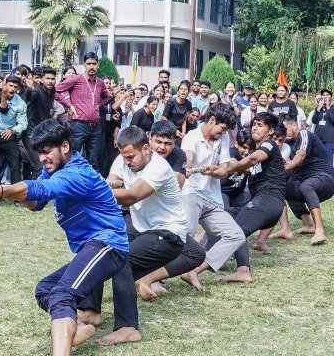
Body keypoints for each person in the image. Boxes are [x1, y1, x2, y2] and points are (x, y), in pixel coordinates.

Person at [0, 119, 133, 356]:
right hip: (93, 246)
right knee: (46, 289)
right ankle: (77, 325)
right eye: (39, 152)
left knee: (63, 293)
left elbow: (40, 190)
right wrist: (12, 194)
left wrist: (3, 190)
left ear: (65, 146)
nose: (43, 158)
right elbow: (35, 201)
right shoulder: (55, 171)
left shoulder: (77, 174)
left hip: (108, 245)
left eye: (48, 151)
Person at [104, 125, 202, 313]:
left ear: (145, 149)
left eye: (168, 143)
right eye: (158, 141)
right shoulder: (126, 157)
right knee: (102, 250)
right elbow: (113, 178)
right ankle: (92, 311)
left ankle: (127, 325)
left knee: (120, 258)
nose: (162, 147)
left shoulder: (159, 166)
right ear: (150, 140)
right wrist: (103, 184)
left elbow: (133, 195)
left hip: (168, 231)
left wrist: (94, 192)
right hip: (142, 226)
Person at [206, 112, 289, 283]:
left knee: (236, 230)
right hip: (261, 200)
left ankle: (242, 270)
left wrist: (231, 166)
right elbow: (244, 168)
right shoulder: (258, 150)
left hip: (268, 199)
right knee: (224, 215)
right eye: (254, 124)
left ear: (271, 130)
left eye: (260, 125)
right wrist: (218, 169)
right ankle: (219, 255)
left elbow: (251, 160)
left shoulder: (269, 145)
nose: (255, 128)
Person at [181, 104, 246, 282]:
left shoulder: (222, 139)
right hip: (191, 192)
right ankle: (155, 278)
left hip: (212, 197)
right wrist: (187, 167)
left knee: (235, 235)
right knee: (183, 234)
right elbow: (187, 157)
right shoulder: (191, 137)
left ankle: (193, 271)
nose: (224, 133)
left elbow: (224, 170)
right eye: (222, 128)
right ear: (211, 121)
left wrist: (212, 172)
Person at [282, 115, 334, 245]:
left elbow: (300, 155)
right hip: (303, 180)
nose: (284, 133)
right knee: (280, 188)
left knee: (306, 186)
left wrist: (288, 165)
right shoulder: (285, 144)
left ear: (294, 125)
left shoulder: (305, 135)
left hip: (325, 178)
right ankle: (295, 227)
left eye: (285, 129)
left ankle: (319, 231)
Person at [53, 53, 109, 165]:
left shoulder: (100, 83)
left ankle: (88, 182)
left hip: (95, 127)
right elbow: (55, 90)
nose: (91, 66)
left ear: (98, 65)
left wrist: (98, 105)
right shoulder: (76, 79)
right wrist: (69, 105)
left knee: (93, 161)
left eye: (94, 63)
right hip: (79, 125)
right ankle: (71, 181)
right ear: (84, 65)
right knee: (73, 158)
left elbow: (107, 97)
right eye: (89, 64)